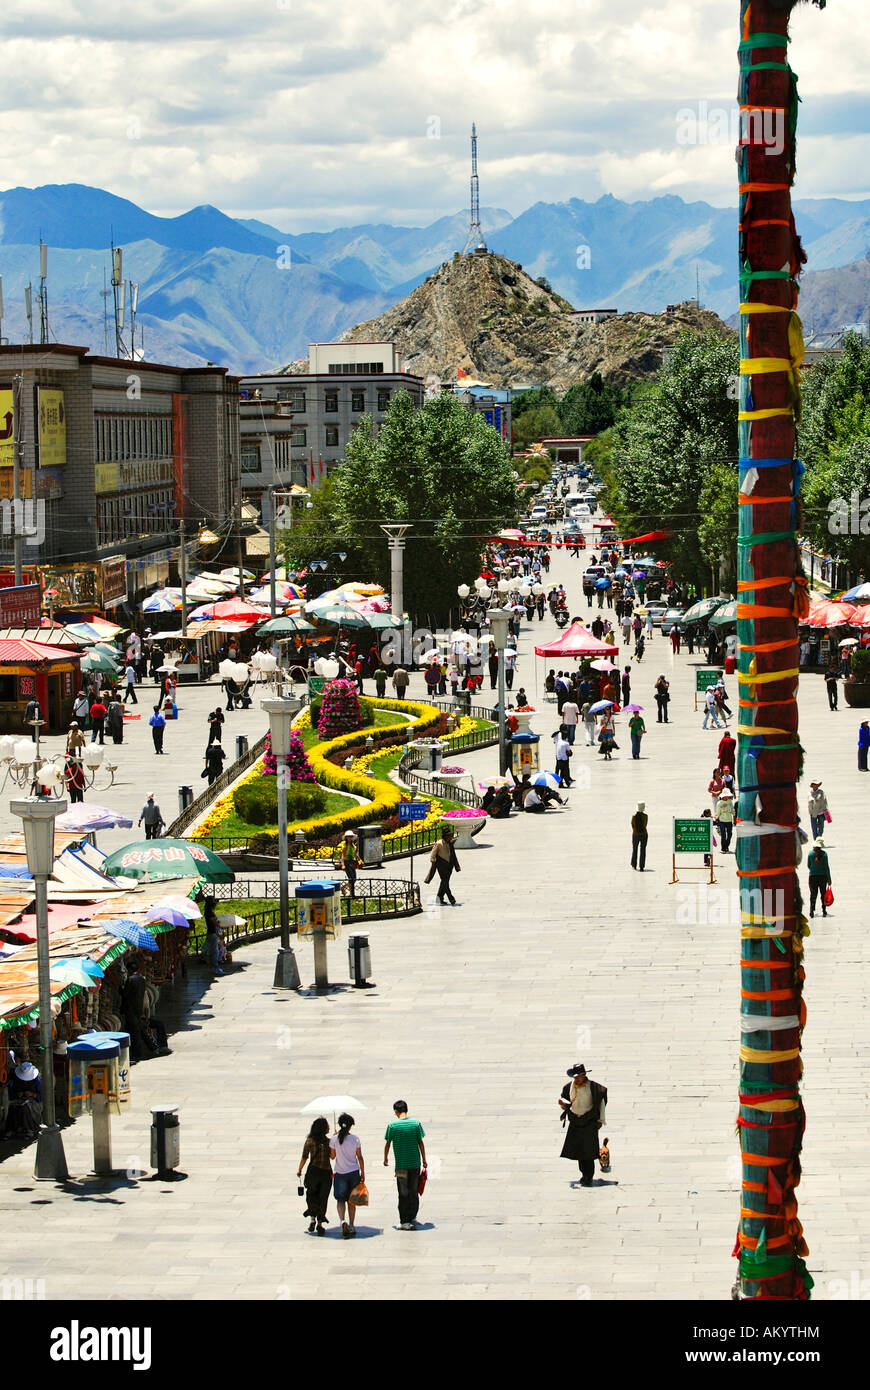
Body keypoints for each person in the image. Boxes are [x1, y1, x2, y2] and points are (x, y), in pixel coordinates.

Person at [558, 1063, 607, 1187]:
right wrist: (563, 1104)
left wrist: (600, 1120)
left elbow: (600, 1103)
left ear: (584, 1075)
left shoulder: (594, 1088)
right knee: (579, 1151)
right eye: (575, 1077)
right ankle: (584, 1174)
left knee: (589, 1151)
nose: (576, 1079)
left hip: (589, 1121)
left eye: (578, 1076)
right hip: (575, 1122)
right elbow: (566, 1102)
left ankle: (588, 1176)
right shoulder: (569, 1087)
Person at [383, 1100, 426, 1230]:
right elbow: (420, 1143)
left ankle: (404, 1221)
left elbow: (387, 1143)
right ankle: (413, 1216)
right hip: (415, 1164)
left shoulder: (392, 1126)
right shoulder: (416, 1124)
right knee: (414, 1191)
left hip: (401, 1165)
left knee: (403, 1193)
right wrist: (424, 1159)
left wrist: (385, 1158)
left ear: (396, 1111)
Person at [330, 1113, 365, 1239]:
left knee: (340, 1199)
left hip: (340, 1173)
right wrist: (363, 1172)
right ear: (350, 1126)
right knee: (352, 1201)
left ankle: (342, 1220)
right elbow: (359, 1157)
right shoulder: (355, 1139)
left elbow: (332, 1157)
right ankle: (351, 1225)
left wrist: (333, 1141)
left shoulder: (334, 1139)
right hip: (354, 1172)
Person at [297, 1117, 333, 1235]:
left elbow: (304, 1157)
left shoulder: (309, 1141)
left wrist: (300, 1169)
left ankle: (312, 1219)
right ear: (323, 1128)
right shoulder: (329, 1142)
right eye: (327, 1125)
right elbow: (333, 1157)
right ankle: (319, 1223)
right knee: (323, 1198)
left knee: (312, 1196)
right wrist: (335, 1141)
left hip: (312, 1172)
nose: (329, 1127)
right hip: (326, 1173)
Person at [425, 826, 460, 905]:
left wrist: (456, 866)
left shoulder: (450, 844)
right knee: (445, 882)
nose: (451, 837)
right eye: (449, 836)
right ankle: (451, 898)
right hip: (441, 865)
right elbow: (432, 855)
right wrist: (433, 864)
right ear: (445, 836)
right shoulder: (438, 844)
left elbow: (453, 855)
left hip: (449, 865)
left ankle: (439, 899)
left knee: (444, 882)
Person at [7, 1061, 43, 1138]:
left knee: (26, 1108)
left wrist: (33, 1094)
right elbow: (11, 1092)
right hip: (20, 1099)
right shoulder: (16, 1080)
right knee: (13, 1107)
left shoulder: (37, 1081)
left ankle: (30, 1129)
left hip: (34, 1102)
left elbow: (41, 1096)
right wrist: (18, 1094)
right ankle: (12, 1129)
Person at [807, 838, 832, 918]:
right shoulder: (824, 854)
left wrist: (813, 870)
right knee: (823, 894)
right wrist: (829, 879)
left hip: (813, 877)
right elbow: (826, 867)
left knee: (813, 894)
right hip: (823, 877)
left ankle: (811, 911)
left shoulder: (810, 854)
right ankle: (824, 910)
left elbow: (809, 865)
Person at [203, 896, 223, 976]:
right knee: (215, 951)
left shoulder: (208, 911)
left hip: (211, 933)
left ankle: (214, 967)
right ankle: (215, 968)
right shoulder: (210, 912)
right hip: (212, 933)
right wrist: (218, 923)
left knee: (213, 950)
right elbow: (215, 923)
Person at [339, 830, 359, 898]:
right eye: (349, 836)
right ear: (346, 837)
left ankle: (344, 888)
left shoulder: (353, 845)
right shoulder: (345, 845)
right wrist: (343, 864)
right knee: (351, 879)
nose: (350, 838)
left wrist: (360, 860)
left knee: (354, 878)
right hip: (347, 862)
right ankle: (351, 894)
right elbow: (343, 855)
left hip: (352, 862)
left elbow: (355, 854)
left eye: (351, 836)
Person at [715, 788, 735, 853]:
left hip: (729, 820)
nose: (727, 797)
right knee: (723, 835)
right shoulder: (719, 803)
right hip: (722, 821)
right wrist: (716, 817)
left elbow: (732, 810)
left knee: (730, 835)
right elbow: (718, 813)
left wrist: (734, 815)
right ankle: (723, 848)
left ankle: (726, 846)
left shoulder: (730, 802)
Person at [631, 802, 648, 870]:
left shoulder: (634, 816)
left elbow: (632, 825)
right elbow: (645, 824)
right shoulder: (645, 816)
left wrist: (635, 830)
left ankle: (634, 864)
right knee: (643, 850)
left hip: (635, 834)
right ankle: (641, 866)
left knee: (635, 849)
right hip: (644, 834)